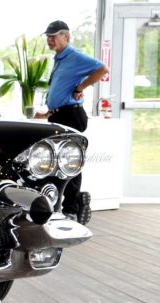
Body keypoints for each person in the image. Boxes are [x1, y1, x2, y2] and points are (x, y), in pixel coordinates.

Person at [36, 20, 109, 225]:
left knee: (70, 161)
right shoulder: (59, 58)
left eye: (54, 36)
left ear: (66, 37)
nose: (50, 40)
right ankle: (70, 204)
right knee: (58, 162)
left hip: (71, 115)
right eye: (48, 36)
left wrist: (81, 87)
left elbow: (102, 69)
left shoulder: (74, 56)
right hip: (59, 114)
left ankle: (72, 209)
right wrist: (48, 113)